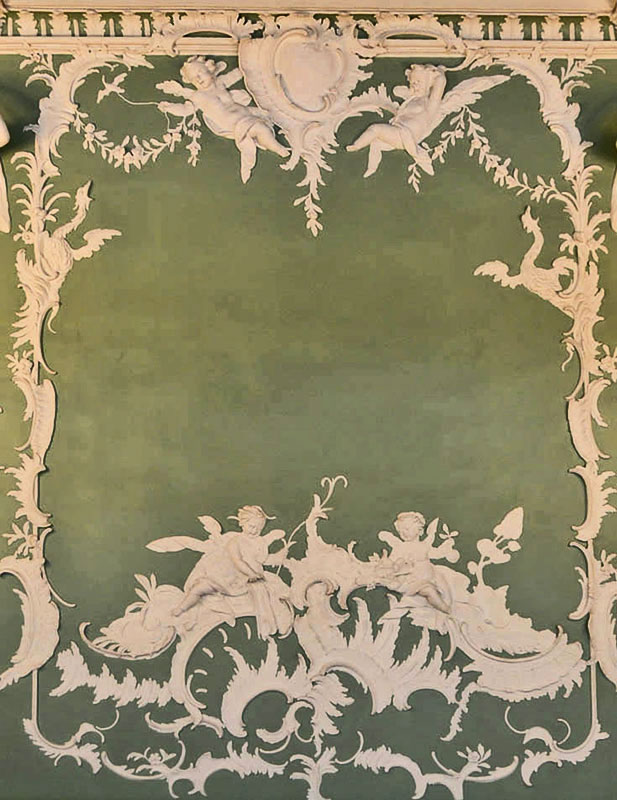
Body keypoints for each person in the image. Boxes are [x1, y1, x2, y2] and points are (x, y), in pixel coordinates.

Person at [158, 57, 289, 183]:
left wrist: (250, 64)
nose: (198, 79)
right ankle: (278, 148)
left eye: (200, 73)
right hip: (235, 124)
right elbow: (186, 109)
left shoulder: (219, 83)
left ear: (210, 70)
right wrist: (169, 107)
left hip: (247, 114)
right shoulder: (198, 96)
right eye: (193, 79)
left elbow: (236, 74)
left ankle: (285, 138)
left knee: (273, 114)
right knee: (261, 129)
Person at [378, 510, 458, 614]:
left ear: (419, 530)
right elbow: (392, 563)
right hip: (412, 581)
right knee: (429, 591)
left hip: (431, 580)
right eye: (400, 531)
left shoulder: (424, 546)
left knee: (443, 586)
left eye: (407, 529)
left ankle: (447, 606)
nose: (403, 533)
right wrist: (387, 561)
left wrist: (446, 548)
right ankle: (447, 610)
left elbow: (436, 553)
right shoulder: (401, 547)